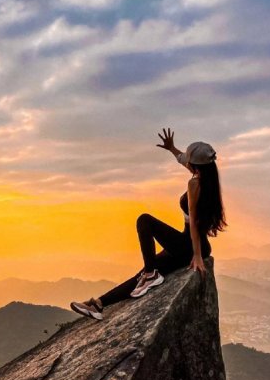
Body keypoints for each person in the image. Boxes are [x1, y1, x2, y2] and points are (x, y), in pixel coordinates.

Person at [70, 128, 228, 321]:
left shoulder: (194, 184)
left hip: (188, 246)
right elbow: (183, 160)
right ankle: (98, 304)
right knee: (143, 274)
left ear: (195, 167)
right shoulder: (207, 178)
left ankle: (150, 274)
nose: (187, 163)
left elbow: (194, 221)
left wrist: (196, 256)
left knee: (145, 221)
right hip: (191, 245)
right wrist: (172, 148)